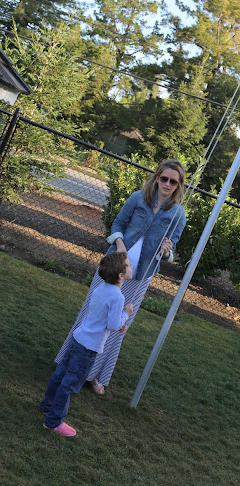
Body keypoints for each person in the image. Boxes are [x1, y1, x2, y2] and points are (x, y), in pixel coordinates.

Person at [55, 158, 186, 395]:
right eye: (164, 178)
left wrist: (167, 252)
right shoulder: (138, 198)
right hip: (113, 268)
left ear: (179, 185)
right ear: (157, 177)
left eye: (173, 182)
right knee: (91, 314)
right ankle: (66, 362)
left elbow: (170, 252)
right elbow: (117, 224)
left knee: (118, 325)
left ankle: (95, 375)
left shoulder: (178, 215)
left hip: (140, 278)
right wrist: (120, 245)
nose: (167, 184)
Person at [40, 252, 133, 436]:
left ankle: (47, 406)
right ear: (121, 275)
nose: (132, 267)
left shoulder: (100, 288)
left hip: (78, 339)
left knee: (59, 375)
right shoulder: (118, 297)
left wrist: (119, 320)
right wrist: (126, 314)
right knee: (68, 385)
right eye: (129, 265)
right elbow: (113, 325)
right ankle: (53, 421)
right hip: (88, 348)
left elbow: (102, 317)